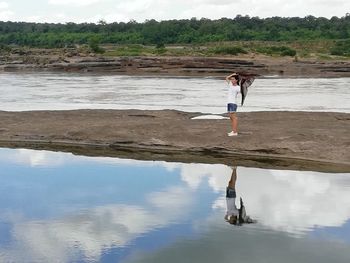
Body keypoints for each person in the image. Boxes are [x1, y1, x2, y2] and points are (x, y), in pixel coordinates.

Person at [225, 72, 255, 136]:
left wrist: (244, 82)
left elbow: (243, 90)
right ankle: (233, 131)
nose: (232, 80)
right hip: (229, 103)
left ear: (236, 80)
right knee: (231, 118)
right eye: (231, 79)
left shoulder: (238, 87)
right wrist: (233, 74)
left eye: (233, 79)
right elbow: (227, 78)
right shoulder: (230, 84)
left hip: (233, 103)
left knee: (234, 118)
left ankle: (235, 132)